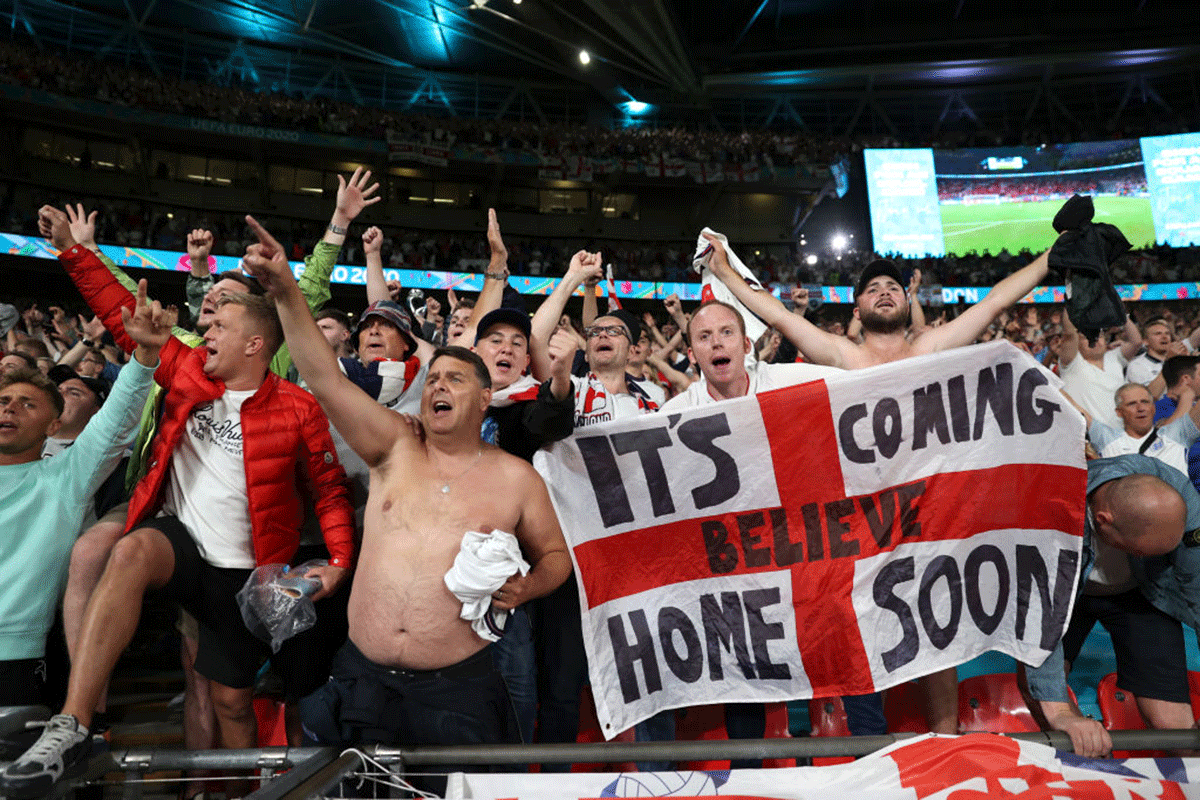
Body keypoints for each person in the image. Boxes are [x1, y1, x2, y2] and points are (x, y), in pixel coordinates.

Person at [2, 207, 356, 799]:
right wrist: (73, 251)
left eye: (220, 328)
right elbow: (126, 319)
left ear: (255, 343)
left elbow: (327, 490)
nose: (205, 332)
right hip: (183, 550)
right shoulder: (190, 372)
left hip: (245, 579)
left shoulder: (298, 406)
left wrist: (338, 563)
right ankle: (75, 722)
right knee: (131, 549)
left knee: (232, 704)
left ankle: (246, 793)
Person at [240, 216, 571, 794]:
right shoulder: (393, 445)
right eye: (434, 377)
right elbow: (322, 374)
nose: (439, 386)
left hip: (459, 691)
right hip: (360, 680)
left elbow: (556, 555)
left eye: (455, 380)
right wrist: (287, 290)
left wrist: (526, 588)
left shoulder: (517, 478)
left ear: (486, 397)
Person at [703, 236, 1056, 733]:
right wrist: (726, 272)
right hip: (861, 523)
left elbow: (995, 299)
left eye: (893, 286)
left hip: (928, 514)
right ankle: (864, 741)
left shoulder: (931, 349)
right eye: (873, 289)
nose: (885, 292)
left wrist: (1049, 256)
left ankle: (943, 741)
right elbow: (782, 318)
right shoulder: (844, 356)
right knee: (857, 626)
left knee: (937, 625)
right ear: (858, 306)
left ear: (909, 301)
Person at [0, 281, 164, 710]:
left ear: (54, 428)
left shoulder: (63, 478)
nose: (9, 408)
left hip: (13, 659)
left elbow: (115, 422)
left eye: (27, 404)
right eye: (3, 400)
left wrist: (144, 358)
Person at [1024, 454, 1200, 758]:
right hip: (1064, 594)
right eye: (1141, 550)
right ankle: (1064, 770)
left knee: (1176, 730)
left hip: (1142, 591)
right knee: (1052, 707)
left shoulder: (1180, 496)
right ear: (1103, 521)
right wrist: (1064, 717)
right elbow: (1038, 625)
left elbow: (1197, 586)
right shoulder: (1051, 518)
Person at [1058, 310, 1142, 429]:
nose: (1095, 340)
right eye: (1087, 337)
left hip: (1119, 434)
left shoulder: (1114, 357)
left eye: (1099, 336)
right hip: (1087, 437)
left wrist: (1120, 313)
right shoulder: (1072, 363)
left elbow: (1136, 341)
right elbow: (1069, 333)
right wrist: (1072, 298)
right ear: (1077, 344)